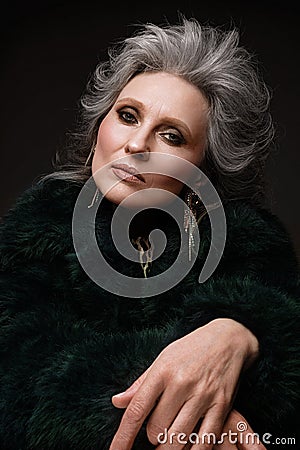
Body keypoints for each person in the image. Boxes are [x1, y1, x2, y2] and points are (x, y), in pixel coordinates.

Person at [0, 15, 299, 450]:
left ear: (202, 168)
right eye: (127, 115)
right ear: (98, 128)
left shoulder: (248, 246)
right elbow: (19, 383)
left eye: (172, 136)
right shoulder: (36, 231)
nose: (137, 145)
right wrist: (192, 397)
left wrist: (240, 334)